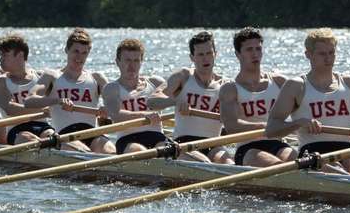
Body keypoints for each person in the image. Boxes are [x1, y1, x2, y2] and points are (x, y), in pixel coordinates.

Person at [266, 28, 350, 175]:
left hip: (347, 149)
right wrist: (298, 123)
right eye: (322, 54)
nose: (328, 58)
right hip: (313, 153)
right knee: (339, 173)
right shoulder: (296, 86)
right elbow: (271, 129)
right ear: (308, 55)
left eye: (331, 53)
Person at [148, 31, 234, 164]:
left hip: (214, 144)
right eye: (200, 54)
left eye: (209, 53)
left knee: (230, 165)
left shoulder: (226, 85)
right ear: (192, 57)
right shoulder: (183, 77)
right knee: (205, 163)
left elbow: (238, 118)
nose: (205, 59)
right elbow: (152, 102)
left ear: (215, 54)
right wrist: (176, 101)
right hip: (183, 143)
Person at [24, 28, 115, 153]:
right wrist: (58, 101)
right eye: (76, 51)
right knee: (85, 152)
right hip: (65, 135)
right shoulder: (51, 76)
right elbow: (29, 101)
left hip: (92, 133)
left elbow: (117, 102)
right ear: (66, 50)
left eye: (84, 53)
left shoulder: (96, 77)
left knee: (110, 151)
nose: (79, 57)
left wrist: (108, 109)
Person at [219, 27, 297, 167]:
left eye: (258, 49)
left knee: (300, 163)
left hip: (278, 144)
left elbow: (303, 108)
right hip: (248, 149)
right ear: (238, 54)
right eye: (249, 50)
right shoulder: (230, 89)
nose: (255, 54)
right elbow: (231, 126)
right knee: (281, 167)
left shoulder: (280, 82)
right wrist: (266, 126)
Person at [102, 39, 169, 154]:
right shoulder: (111, 88)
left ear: (141, 62)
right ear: (118, 62)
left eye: (136, 61)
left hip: (157, 137)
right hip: (128, 140)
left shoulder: (156, 83)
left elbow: (179, 97)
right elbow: (116, 115)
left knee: (165, 150)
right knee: (141, 152)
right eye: (127, 60)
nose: (132, 66)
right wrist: (145, 114)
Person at [0, 34, 55, 145]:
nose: (0, 59)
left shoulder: (41, 76)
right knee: (27, 137)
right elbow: (10, 109)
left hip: (42, 126)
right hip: (16, 129)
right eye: (0, 55)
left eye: (4, 55)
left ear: (20, 55)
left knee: (52, 135)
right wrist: (42, 110)